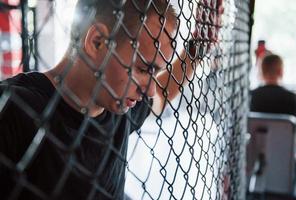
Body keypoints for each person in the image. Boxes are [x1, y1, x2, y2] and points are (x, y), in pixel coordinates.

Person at [0, 0, 224, 199]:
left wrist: (197, 49)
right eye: (143, 69)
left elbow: (162, 95)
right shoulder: (14, 110)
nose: (149, 90)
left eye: (155, 73)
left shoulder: (119, 108)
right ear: (97, 42)